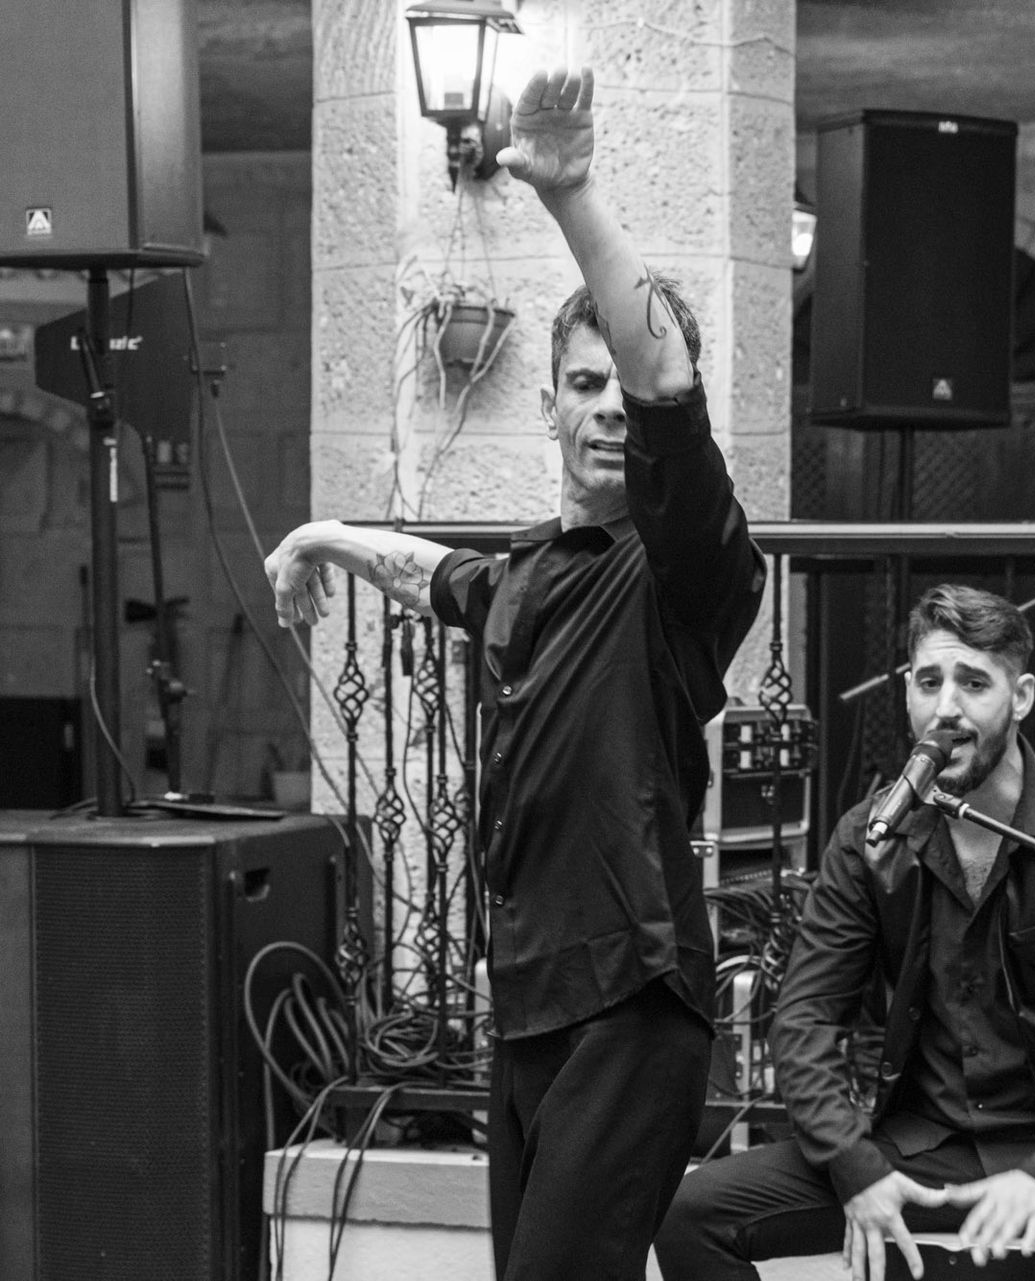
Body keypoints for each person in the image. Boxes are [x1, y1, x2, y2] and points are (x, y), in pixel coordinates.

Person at [263, 67, 766, 1279]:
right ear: (546, 405)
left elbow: (664, 393)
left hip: (636, 1000)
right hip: (527, 1007)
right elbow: (429, 573)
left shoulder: (690, 567)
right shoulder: (527, 576)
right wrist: (323, 534)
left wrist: (572, 195)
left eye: (624, 393)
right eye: (582, 388)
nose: (607, 410)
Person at [655, 585, 1035, 1281]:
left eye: (975, 683)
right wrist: (856, 1166)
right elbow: (806, 1015)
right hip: (918, 1147)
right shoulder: (871, 837)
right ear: (908, 690)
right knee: (688, 1213)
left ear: (1020, 696)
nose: (948, 708)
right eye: (930, 682)